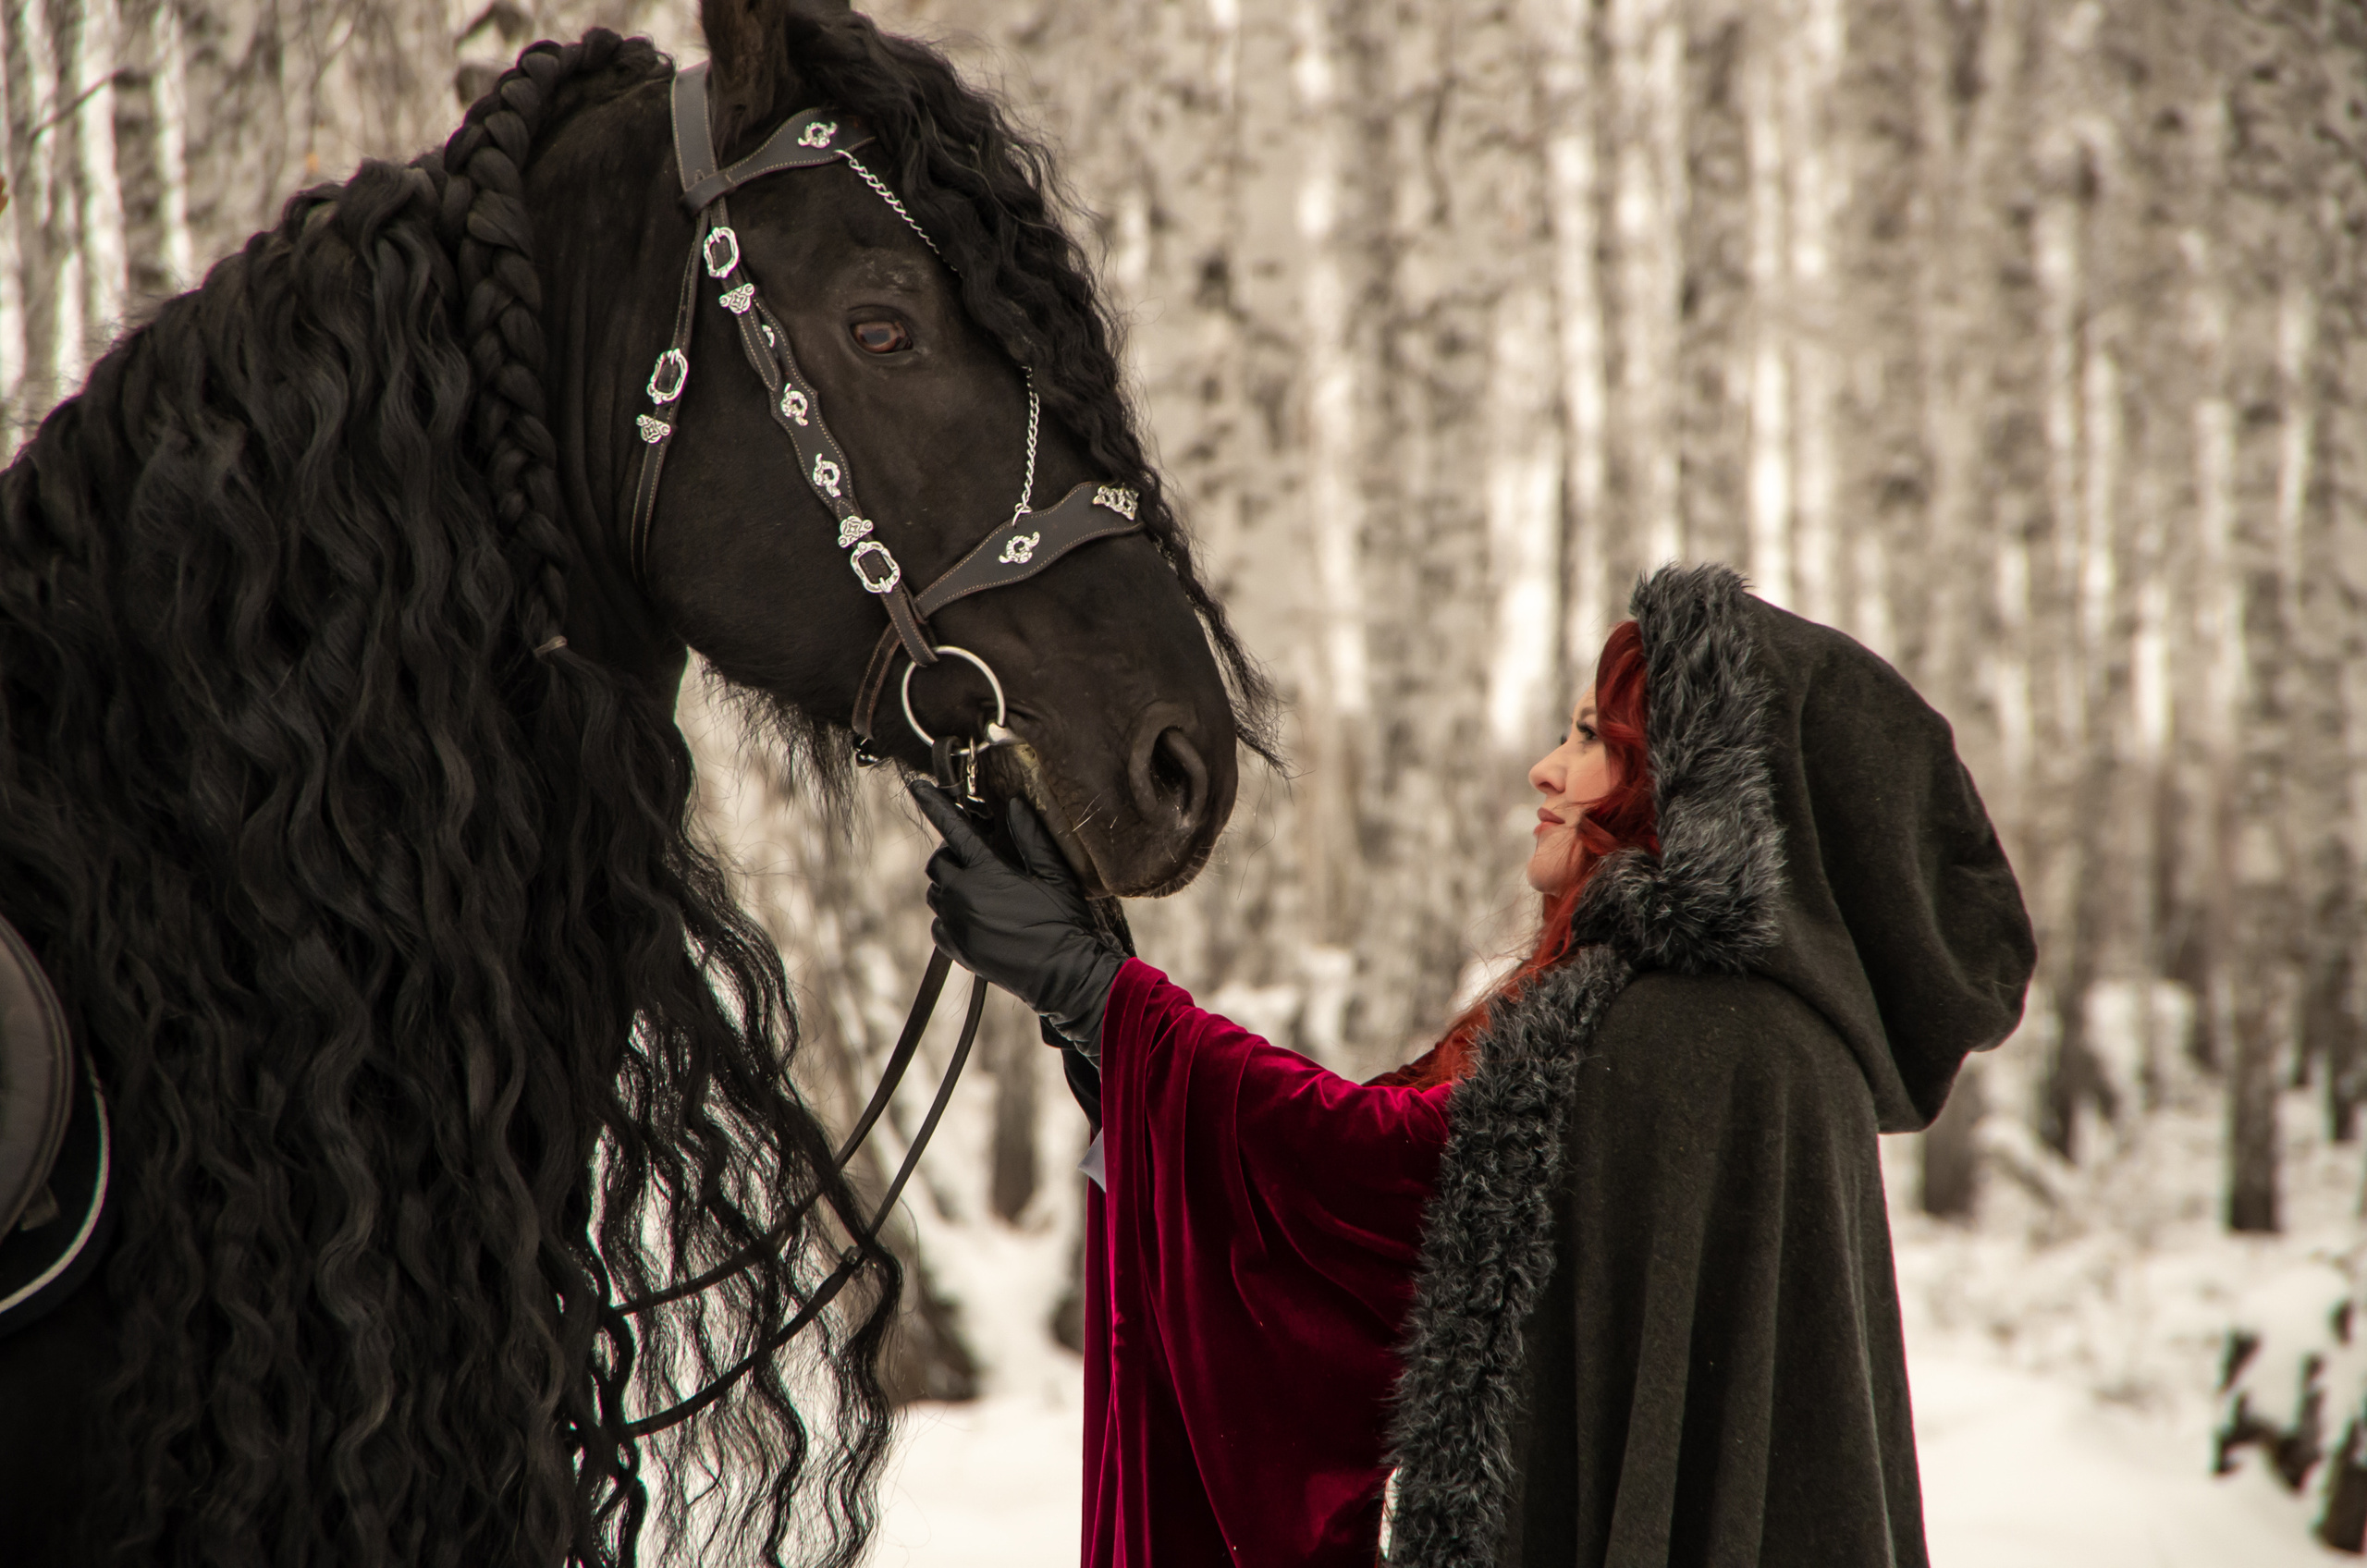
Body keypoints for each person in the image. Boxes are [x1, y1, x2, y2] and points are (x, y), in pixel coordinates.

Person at [914, 562, 2036, 1568]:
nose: (1548, 769)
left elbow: (1375, 1185)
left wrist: (1101, 997)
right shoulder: (1708, 1028)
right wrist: (1103, 1012)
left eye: (1593, 737)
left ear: (1693, 793)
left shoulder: (1694, 1037)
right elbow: (1388, 1194)